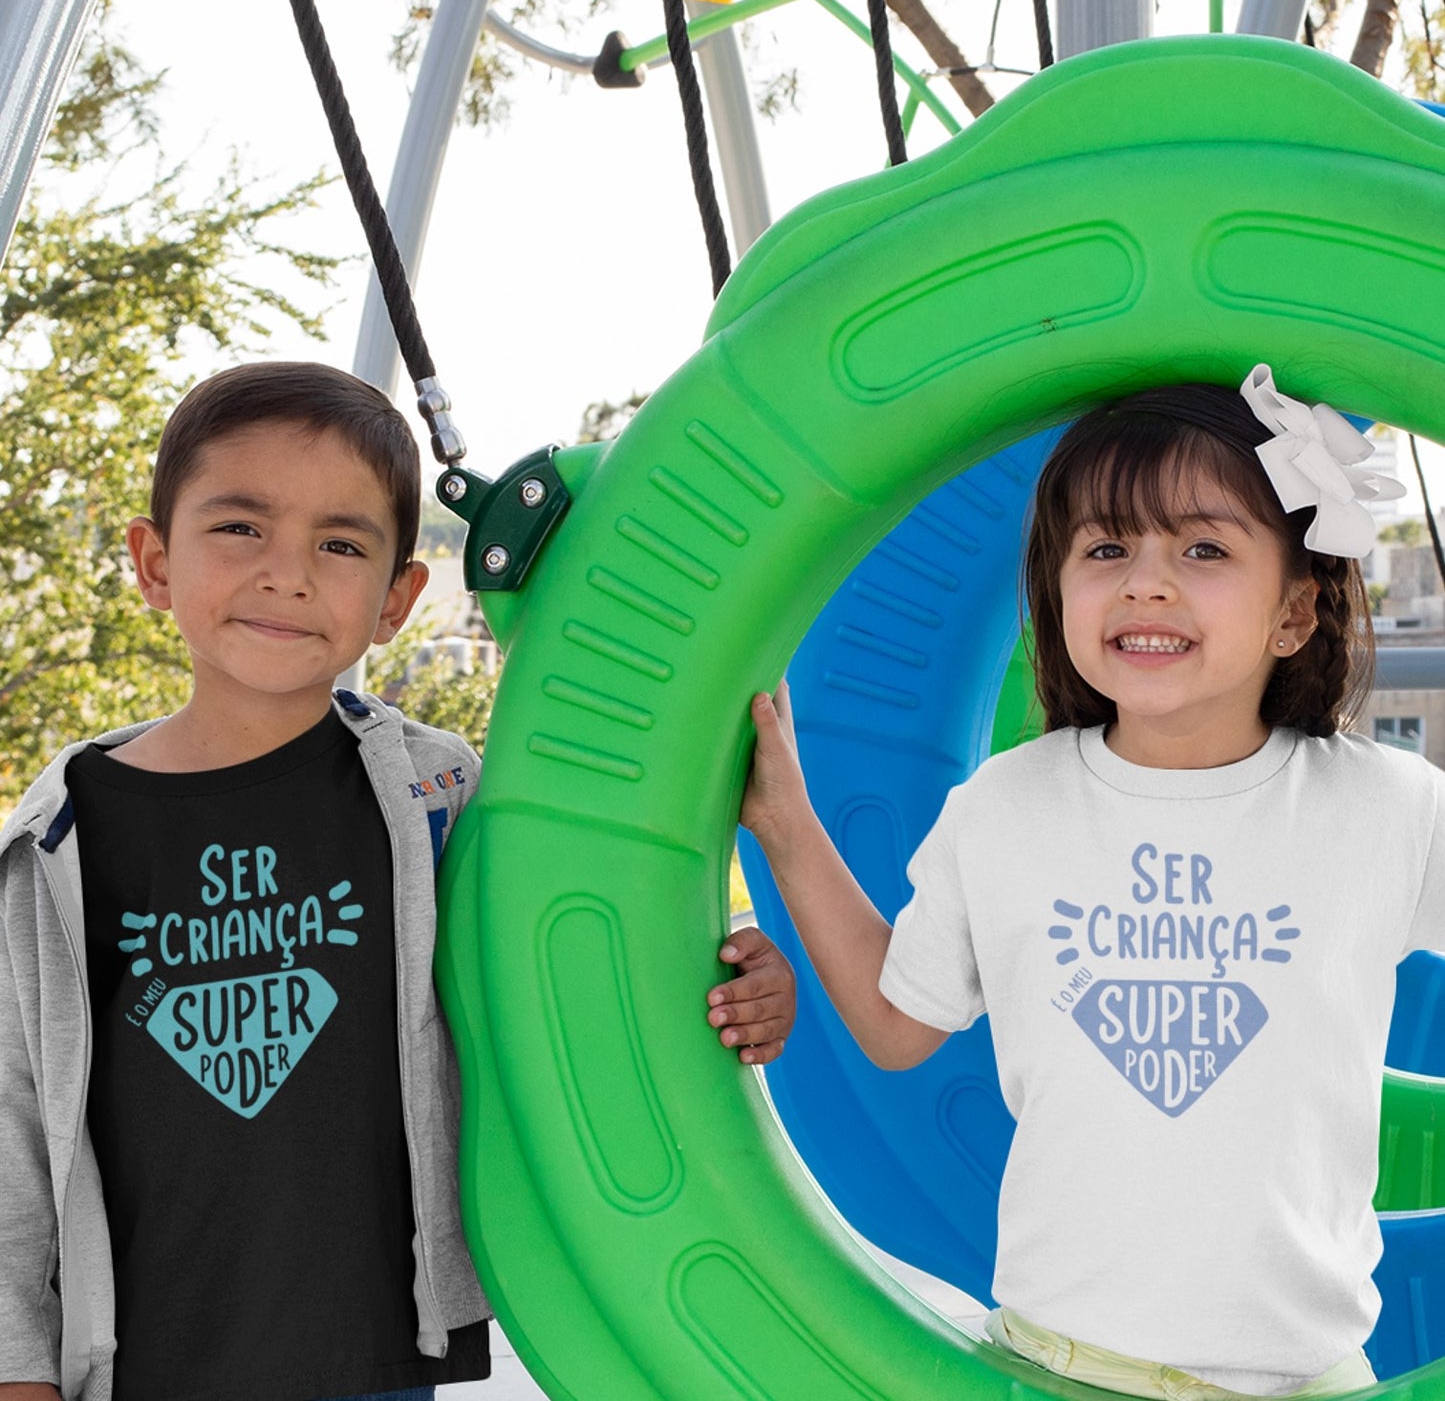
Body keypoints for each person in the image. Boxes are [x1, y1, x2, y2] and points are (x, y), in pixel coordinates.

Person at [0, 361, 796, 1401]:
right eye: (240, 528)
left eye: (339, 544)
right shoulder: (60, 838)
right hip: (147, 1359)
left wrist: (738, 985)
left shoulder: (443, 795)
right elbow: (15, 1123)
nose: (287, 573)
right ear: (154, 562)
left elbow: (565, 970)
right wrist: (19, 1367)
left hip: (374, 1347)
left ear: (397, 596)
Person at [742, 363, 1434, 1401]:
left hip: (1308, 1375)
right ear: (1055, 592)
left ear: (1292, 612)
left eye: (1201, 548)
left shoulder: (1382, 807)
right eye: (1104, 547)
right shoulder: (1004, 808)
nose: (1144, 580)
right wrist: (787, 827)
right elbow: (896, 1027)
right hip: (1057, 1367)